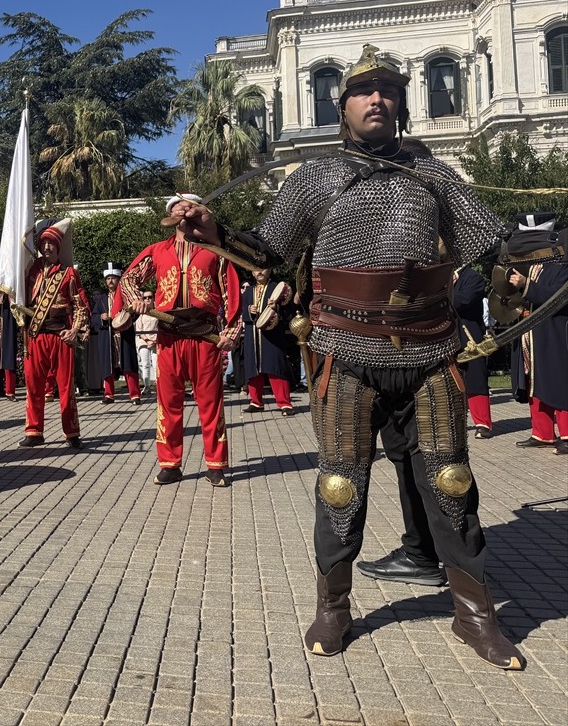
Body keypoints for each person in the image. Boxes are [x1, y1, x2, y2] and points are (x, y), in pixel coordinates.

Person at [171, 44, 523, 670]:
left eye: (388, 89)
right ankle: (333, 607)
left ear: (402, 104)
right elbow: (270, 251)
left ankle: (475, 615)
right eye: (364, 91)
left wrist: (532, 254)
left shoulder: (434, 175)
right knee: (340, 485)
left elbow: (493, 243)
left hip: (429, 347)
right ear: (344, 108)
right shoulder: (314, 177)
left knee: (451, 481)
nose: (377, 98)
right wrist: (217, 235)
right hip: (345, 348)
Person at [119, 197, 241, 486]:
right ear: (169, 215)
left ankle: (215, 465)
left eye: (188, 207)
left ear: (197, 214)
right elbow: (128, 279)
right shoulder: (157, 251)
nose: (182, 211)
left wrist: (232, 331)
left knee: (210, 403)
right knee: (168, 403)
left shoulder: (215, 251)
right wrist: (136, 300)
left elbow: (231, 293)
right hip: (169, 337)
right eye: (177, 207)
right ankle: (170, 464)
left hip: (204, 336)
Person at [20, 218, 90, 448]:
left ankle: (71, 432)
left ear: (58, 247)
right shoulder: (30, 270)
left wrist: (74, 330)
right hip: (35, 334)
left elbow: (81, 306)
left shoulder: (69, 274)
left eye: (51, 243)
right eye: (44, 243)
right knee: (33, 385)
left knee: (66, 387)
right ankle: (34, 431)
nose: (47, 247)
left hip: (61, 336)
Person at [507, 213, 567, 453]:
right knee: (533, 380)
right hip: (531, 332)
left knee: (558, 381)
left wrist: (526, 285)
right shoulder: (534, 267)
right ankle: (542, 432)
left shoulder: (563, 267)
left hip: (555, 333)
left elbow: (556, 297)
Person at [241, 268, 296, 415]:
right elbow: (241, 311)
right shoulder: (248, 291)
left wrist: (276, 307)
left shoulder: (277, 288)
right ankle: (255, 402)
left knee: (275, 367)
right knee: (253, 369)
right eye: (256, 269)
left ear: (270, 271)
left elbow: (289, 310)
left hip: (272, 335)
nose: (259, 272)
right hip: (252, 334)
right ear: (252, 272)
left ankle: (284, 404)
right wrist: (249, 311)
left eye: (262, 269)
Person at [90, 263, 143, 405]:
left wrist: (126, 317)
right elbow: (93, 318)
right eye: (108, 278)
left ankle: (134, 395)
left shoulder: (126, 296)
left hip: (124, 335)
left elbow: (136, 313)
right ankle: (109, 395)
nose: (110, 281)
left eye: (113, 278)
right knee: (107, 365)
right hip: (107, 337)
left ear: (119, 279)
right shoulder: (101, 299)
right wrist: (101, 317)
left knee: (129, 365)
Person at [452, 265, 493, 439]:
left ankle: (483, 423)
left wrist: (442, 294)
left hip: (469, 335)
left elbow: (463, 301)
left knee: (475, 378)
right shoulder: (440, 277)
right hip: (447, 335)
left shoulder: (474, 277)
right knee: (449, 380)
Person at [134, 292, 159, 391]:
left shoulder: (157, 312)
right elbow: (139, 329)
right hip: (143, 341)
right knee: (145, 364)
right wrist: (147, 340)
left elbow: (161, 327)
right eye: (145, 297)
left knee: (157, 364)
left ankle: (159, 386)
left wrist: (154, 340)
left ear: (153, 298)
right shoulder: (140, 313)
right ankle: (147, 386)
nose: (147, 299)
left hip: (156, 340)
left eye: (150, 297)